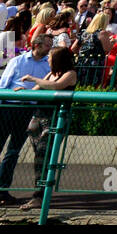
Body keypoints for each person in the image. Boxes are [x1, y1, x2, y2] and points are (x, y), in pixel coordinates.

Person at [0, 33, 54, 208]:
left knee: (13, 153)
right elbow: (1, 86)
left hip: (27, 111)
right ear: (37, 45)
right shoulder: (18, 61)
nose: (49, 48)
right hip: (9, 108)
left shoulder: (47, 65)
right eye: (47, 45)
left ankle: (1, 191)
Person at [17, 46, 77, 210]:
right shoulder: (50, 74)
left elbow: (56, 86)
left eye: (50, 57)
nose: (48, 60)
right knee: (39, 159)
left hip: (54, 122)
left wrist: (33, 78)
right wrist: (25, 91)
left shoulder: (70, 74)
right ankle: (40, 194)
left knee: (44, 158)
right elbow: (38, 90)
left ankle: (40, 196)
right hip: (39, 119)